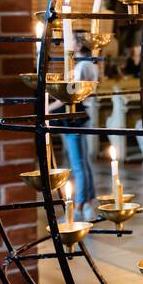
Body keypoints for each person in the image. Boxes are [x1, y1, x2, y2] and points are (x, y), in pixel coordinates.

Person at [49, 34, 99, 219]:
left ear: (78, 44)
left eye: (70, 40)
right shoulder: (89, 63)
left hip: (74, 117)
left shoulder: (82, 66)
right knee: (83, 161)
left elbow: (71, 94)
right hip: (83, 115)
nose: (67, 43)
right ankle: (89, 200)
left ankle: (78, 207)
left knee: (78, 164)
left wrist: (47, 107)